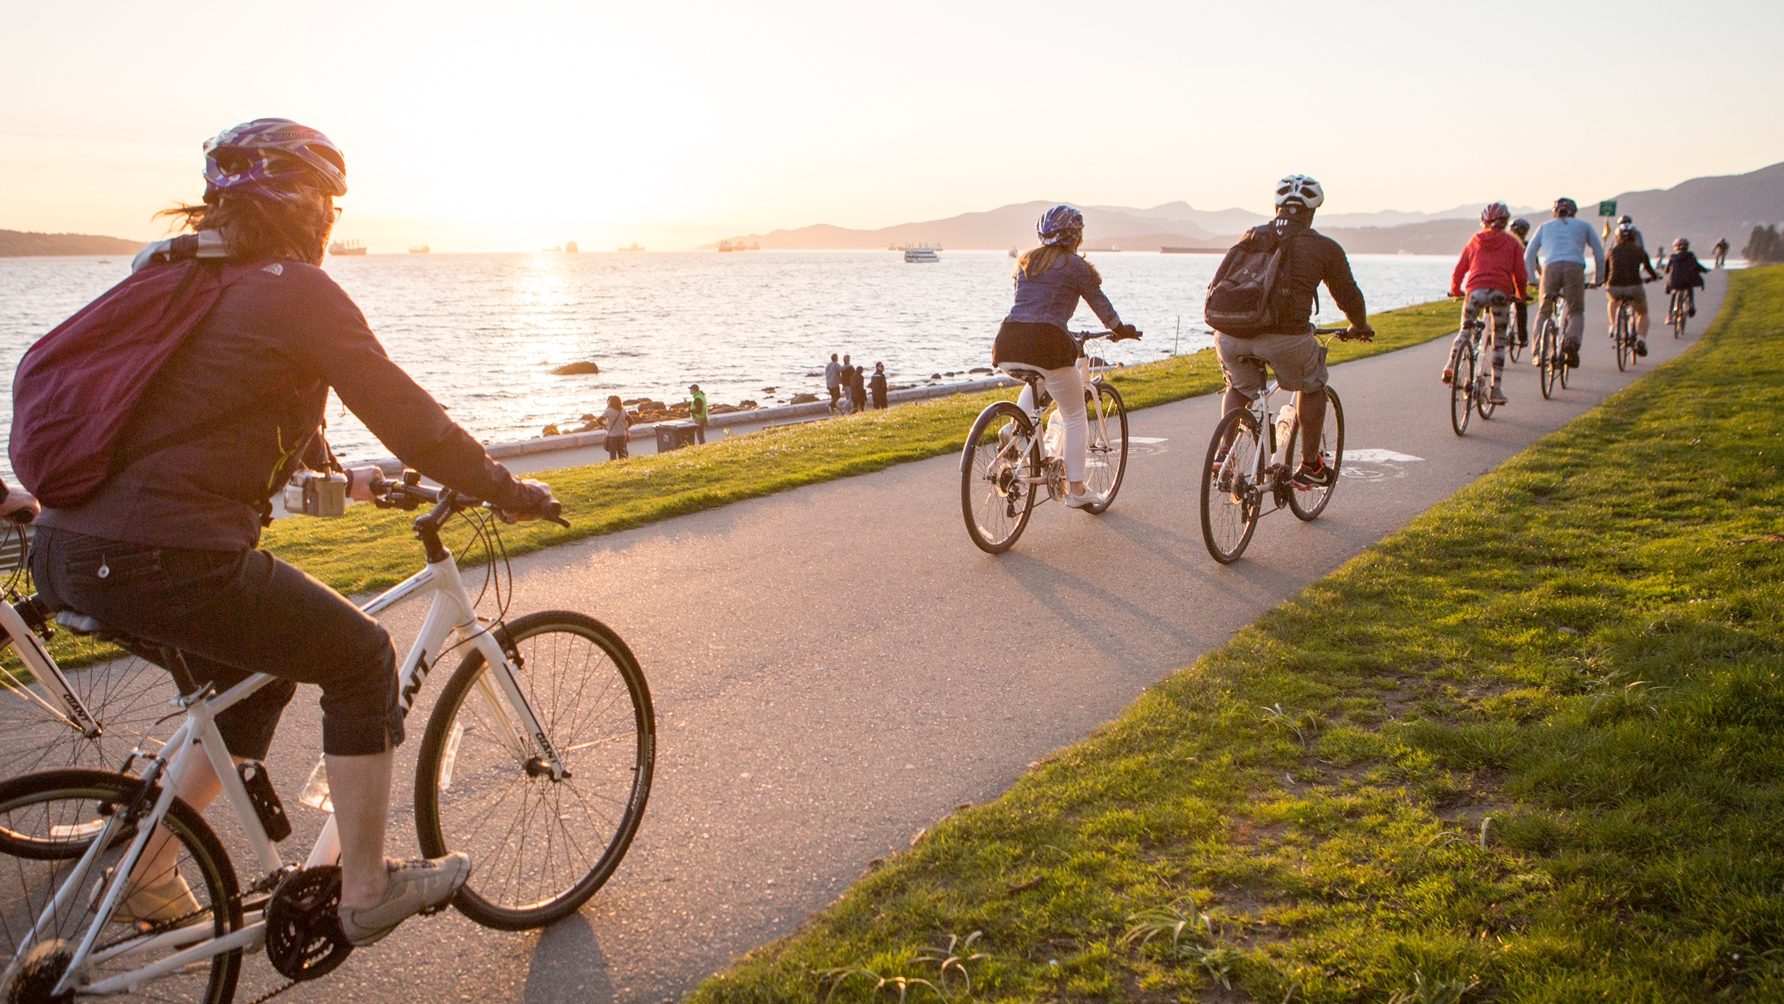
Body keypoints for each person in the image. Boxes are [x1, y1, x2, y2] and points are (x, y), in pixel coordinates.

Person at [25, 118, 559, 946]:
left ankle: (151, 870)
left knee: (261, 676)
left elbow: (210, 401)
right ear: (310, 205)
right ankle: (367, 886)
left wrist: (342, 472)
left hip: (64, 550)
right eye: (330, 206)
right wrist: (505, 489)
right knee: (360, 657)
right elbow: (409, 417)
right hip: (163, 557)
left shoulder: (187, 283)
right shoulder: (298, 291)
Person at [1209, 175, 1371, 489]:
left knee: (1239, 387)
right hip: (1286, 338)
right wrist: (1359, 326)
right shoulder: (1324, 247)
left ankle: (1224, 453)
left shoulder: (1251, 235)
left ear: (1277, 206)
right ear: (1312, 211)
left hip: (1229, 333)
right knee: (1312, 385)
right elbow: (1348, 296)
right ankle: (1310, 464)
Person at [993, 205, 1139, 509]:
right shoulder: (1075, 265)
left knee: (1039, 378)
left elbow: (1032, 306)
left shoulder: (1026, 261)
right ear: (1076, 236)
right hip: (1047, 341)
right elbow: (1101, 306)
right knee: (1074, 415)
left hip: (1008, 341)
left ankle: (1014, 430)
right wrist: (1120, 329)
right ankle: (1076, 489)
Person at [1444, 202, 1527, 405]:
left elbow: (1459, 269)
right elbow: (1520, 275)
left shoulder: (1475, 240)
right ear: (1505, 221)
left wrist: (1455, 289)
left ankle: (1451, 364)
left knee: (1465, 329)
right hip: (1500, 292)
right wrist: (1521, 295)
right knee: (1499, 339)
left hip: (1475, 290)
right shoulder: (1512, 243)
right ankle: (1495, 388)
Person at [1526, 197, 1606, 369]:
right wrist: (1598, 279)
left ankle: (1538, 353)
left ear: (1555, 212)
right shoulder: (1584, 226)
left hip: (1550, 268)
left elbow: (1529, 254)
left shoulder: (1545, 227)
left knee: (1544, 311)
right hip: (1574, 267)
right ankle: (1572, 342)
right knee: (1576, 311)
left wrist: (1531, 279)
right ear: (1574, 212)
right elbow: (1599, 253)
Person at [1601, 222, 1659, 357]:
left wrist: (1604, 282)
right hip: (1634, 286)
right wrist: (1655, 277)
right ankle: (1641, 340)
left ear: (1618, 237)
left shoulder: (1612, 251)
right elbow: (1649, 269)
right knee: (1643, 314)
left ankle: (1613, 325)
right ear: (1634, 237)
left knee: (1613, 301)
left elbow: (1606, 272)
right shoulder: (1639, 250)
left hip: (1614, 287)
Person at [1664, 237, 1709, 317]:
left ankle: (1669, 315)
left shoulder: (1672, 258)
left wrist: (1666, 270)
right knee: (1689, 290)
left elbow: (1666, 270)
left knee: (1674, 294)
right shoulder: (1690, 257)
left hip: (1674, 283)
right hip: (1687, 282)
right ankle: (1690, 306)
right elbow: (1697, 266)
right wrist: (1705, 270)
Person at [1507, 218, 1534, 348]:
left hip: (1505, 279)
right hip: (1517, 279)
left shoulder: (1504, 241)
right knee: (1521, 306)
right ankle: (1522, 338)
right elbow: (1535, 263)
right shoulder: (1526, 245)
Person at [602, 395, 630, 459]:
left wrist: (604, 425)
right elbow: (631, 420)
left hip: (612, 435)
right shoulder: (622, 411)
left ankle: (614, 465)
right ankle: (624, 463)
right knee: (623, 451)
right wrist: (626, 427)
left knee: (613, 452)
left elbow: (599, 420)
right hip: (622, 434)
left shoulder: (608, 411)